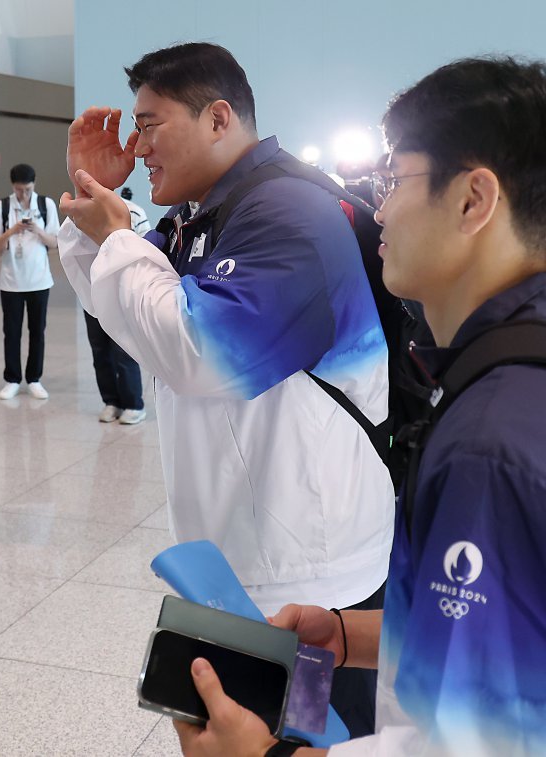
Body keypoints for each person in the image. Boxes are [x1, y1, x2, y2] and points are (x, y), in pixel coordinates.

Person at [173, 55, 546, 757]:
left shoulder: (489, 447)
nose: (380, 205)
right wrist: (350, 635)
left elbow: (490, 745)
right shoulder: (503, 374)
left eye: (396, 178)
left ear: (474, 199)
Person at [60, 42, 392, 737]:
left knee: (306, 740)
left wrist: (121, 236)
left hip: (305, 567)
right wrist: (98, 207)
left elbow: (201, 353)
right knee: (237, 736)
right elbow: (128, 311)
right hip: (244, 550)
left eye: (150, 124)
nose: (138, 144)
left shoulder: (287, 210)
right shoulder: (207, 212)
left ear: (217, 118)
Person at [0, 163, 60, 400]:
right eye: (19, 190)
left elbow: (54, 242)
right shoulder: (2, 207)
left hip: (39, 281)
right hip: (11, 282)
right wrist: (12, 230)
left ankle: (35, 379)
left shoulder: (46, 205)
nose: (23, 195)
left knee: (37, 331)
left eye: (27, 189)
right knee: (12, 332)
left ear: (34, 184)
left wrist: (37, 230)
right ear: (12, 186)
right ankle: (12, 379)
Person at [86, 188, 150, 425]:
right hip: (93, 293)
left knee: (124, 349)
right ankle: (110, 401)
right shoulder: (82, 212)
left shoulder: (133, 210)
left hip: (123, 294)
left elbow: (146, 250)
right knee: (100, 351)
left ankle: (133, 404)